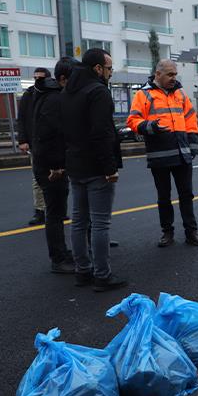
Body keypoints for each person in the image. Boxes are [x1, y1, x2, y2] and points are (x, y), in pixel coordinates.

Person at [60, 48, 125, 292]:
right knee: (100, 224)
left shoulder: (67, 92)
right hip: (97, 167)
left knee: (79, 222)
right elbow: (101, 133)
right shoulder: (98, 92)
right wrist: (109, 168)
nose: (110, 73)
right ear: (98, 68)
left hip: (75, 165)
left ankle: (82, 271)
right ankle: (102, 275)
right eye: (109, 68)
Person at [126, 59, 198, 248]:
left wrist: (193, 145)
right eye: (170, 74)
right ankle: (167, 233)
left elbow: (190, 118)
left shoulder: (180, 93)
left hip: (182, 154)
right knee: (164, 197)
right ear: (158, 74)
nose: (174, 78)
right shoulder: (143, 94)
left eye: (175, 74)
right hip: (160, 155)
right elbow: (133, 120)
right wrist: (150, 126)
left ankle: (191, 233)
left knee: (187, 195)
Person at [31, 57, 78, 274]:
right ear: (62, 79)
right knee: (55, 212)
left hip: (51, 164)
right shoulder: (54, 99)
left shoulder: (48, 95)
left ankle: (61, 252)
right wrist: (56, 166)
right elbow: (47, 136)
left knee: (57, 211)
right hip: (50, 167)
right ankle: (58, 258)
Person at [17, 67, 51, 226]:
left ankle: (57, 209)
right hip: (35, 144)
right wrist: (22, 140)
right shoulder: (28, 95)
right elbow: (21, 119)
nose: (38, 81)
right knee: (38, 179)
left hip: (54, 143)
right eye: (35, 78)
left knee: (59, 177)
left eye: (41, 78)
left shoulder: (56, 94)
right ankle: (40, 211)